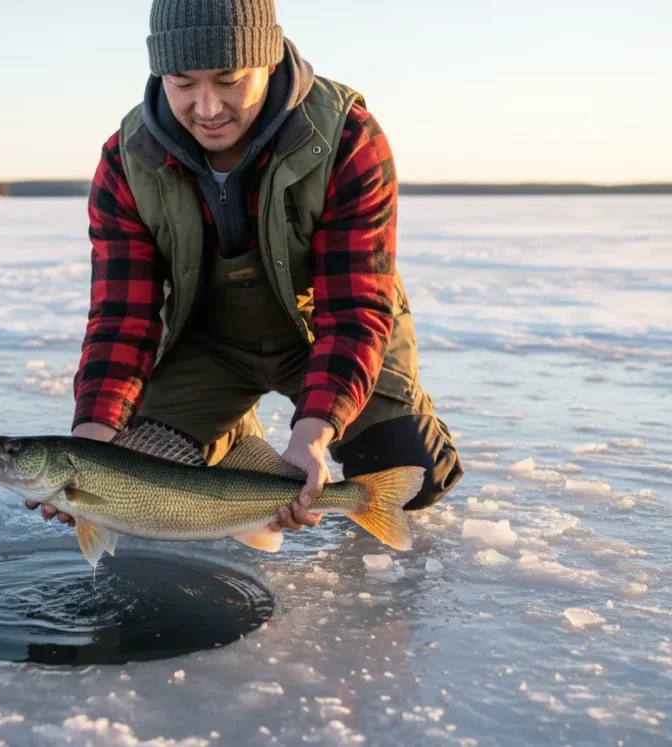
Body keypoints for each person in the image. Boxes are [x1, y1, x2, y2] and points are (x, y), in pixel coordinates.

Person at [26, 0, 463, 533]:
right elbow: (123, 318)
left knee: (408, 463)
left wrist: (312, 435)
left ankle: (381, 431)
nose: (207, 108)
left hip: (321, 332)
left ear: (268, 60)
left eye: (229, 80)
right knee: (150, 478)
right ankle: (228, 438)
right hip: (206, 345)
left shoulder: (346, 137)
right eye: (182, 83)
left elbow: (353, 312)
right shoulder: (127, 160)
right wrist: (92, 444)